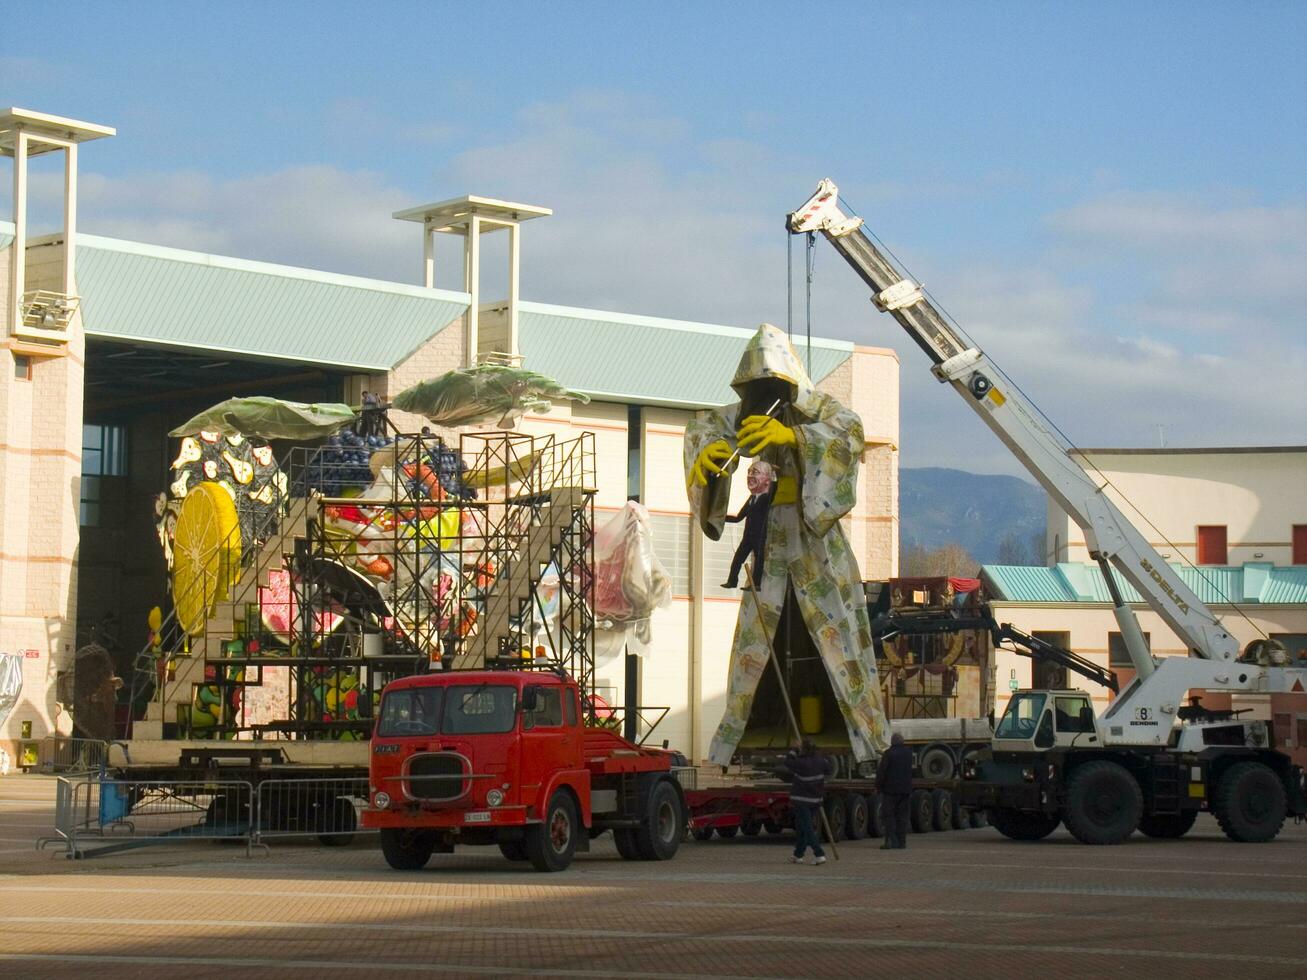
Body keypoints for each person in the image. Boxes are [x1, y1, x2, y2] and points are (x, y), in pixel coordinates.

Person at [685, 324, 889, 766]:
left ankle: (860, 730)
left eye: (773, 382)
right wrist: (708, 455)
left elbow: (849, 431)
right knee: (759, 631)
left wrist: (794, 438)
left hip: (814, 537)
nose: (765, 392)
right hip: (771, 534)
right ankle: (747, 726)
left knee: (832, 623)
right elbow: (705, 428)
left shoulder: (820, 411)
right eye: (756, 385)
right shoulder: (742, 416)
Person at [778, 738, 834, 865]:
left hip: (801, 800)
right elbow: (829, 769)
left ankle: (819, 854)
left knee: (807, 828)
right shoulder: (821, 761)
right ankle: (798, 855)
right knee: (802, 827)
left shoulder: (800, 763)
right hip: (816, 800)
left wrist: (793, 749)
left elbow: (787, 762)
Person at [721, 460, 776, 589]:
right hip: (748, 537)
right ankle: (732, 581)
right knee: (737, 559)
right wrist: (720, 518)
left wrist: (774, 474)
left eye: (755, 472)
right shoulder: (751, 498)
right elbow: (738, 517)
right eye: (749, 472)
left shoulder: (766, 498)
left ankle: (756, 584)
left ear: (767, 480)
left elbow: (774, 489)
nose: (750, 476)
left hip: (760, 536)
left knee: (758, 561)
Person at [875, 731, 914, 849]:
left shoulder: (888, 754)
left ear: (892, 742)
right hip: (905, 790)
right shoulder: (909, 753)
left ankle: (891, 842)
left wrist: (878, 786)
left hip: (890, 791)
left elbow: (882, 772)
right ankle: (902, 842)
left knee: (889, 816)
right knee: (902, 817)